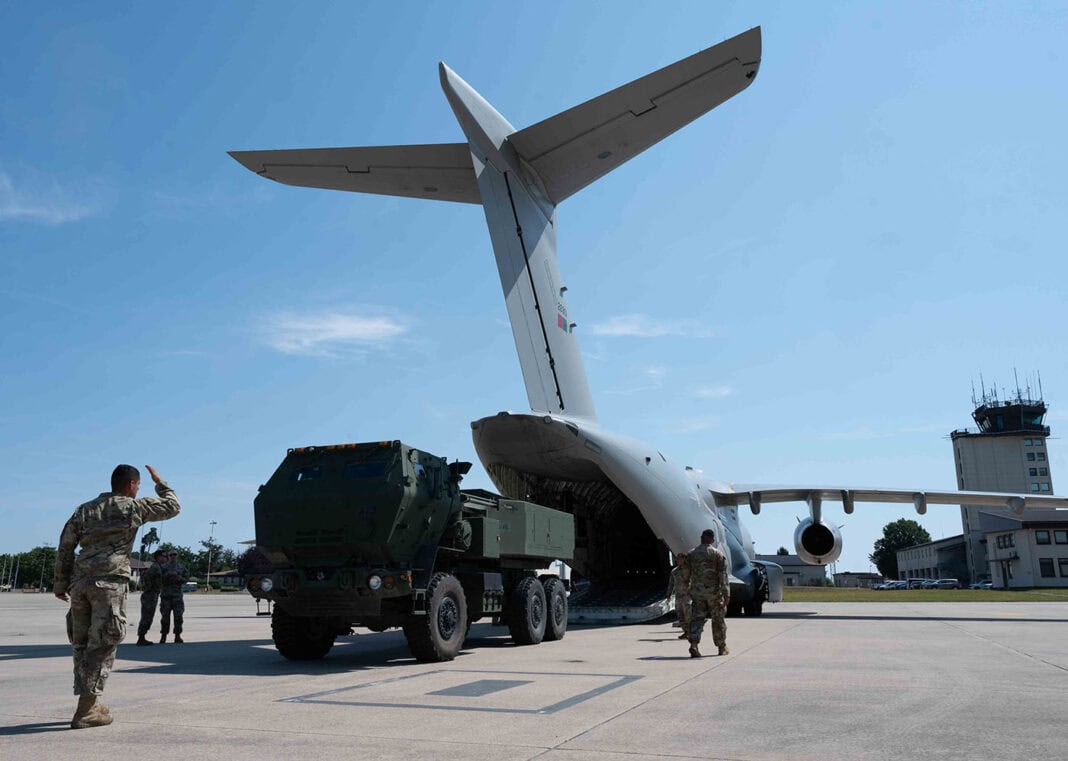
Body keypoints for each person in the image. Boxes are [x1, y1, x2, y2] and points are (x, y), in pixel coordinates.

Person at [54, 464, 181, 729]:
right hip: (109, 584)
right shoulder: (133, 507)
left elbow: (65, 546)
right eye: (138, 485)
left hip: (80, 584)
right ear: (131, 484)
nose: (138, 489)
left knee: (81, 644)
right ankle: (87, 709)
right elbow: (173, 506)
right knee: (102, 644)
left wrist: (60, 582)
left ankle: (89, 702)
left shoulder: (85, 509)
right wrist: (160, 482)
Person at [681, 528, 730, 658]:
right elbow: (723, 576)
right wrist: (726, 593)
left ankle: (694, 645)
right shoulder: (717, 554)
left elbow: (685, 574)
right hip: (714, 593)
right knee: (718, 619)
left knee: (697, 618)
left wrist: (687, 587)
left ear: (701, 538)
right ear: (712, 539)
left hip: (697, 593)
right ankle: (721, 646)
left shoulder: (691, 554)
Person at [159, 550, 189, 643]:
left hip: (177, 596)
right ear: (168, 556)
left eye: (174, 555)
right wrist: (167, 576)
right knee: (165, 617)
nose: (173, 556)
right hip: (166, 596)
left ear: (177, 556)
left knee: (178, 617)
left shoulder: (181, 567)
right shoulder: (163, 567)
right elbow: (158, 579)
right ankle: (163, 636)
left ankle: (177, 635)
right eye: (171, 555)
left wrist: (178, 578)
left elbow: (186, 579)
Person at [136, 549, 165, 646]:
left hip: (153, 594)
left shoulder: (159, 567)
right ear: (158, 557)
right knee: (147, 616)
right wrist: (149, 590)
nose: (164, 558)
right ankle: (141, 637)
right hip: (150, 595)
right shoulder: (155, 567)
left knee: (149, 616)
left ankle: (142, 636)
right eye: (163, 556)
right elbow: (147, 578)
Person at [665, 553, 690, 639]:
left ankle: (691, 632)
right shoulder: (674, 571)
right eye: (677, 559)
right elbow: (671, 584)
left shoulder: (689, 570)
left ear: (684, 559)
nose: (678, 561)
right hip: (678, 596)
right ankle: (686, 631)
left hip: (687, 596)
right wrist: (668, 594)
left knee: (688, 615)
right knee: (680, 615)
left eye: (680, 559)